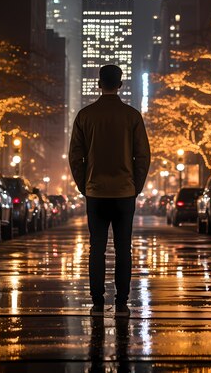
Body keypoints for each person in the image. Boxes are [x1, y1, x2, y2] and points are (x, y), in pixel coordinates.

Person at [69, 64, 150, 317]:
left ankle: (97, 303)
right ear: (121, 84)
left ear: (98, 84)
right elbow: (143, 156)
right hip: (124, 192)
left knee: (97, 248)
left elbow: (75, 156)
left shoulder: (85, 115)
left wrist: (84, 186)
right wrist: (135, 186)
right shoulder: (132, 116)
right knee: (123, 249)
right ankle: (122, 302)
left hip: (96, 193)